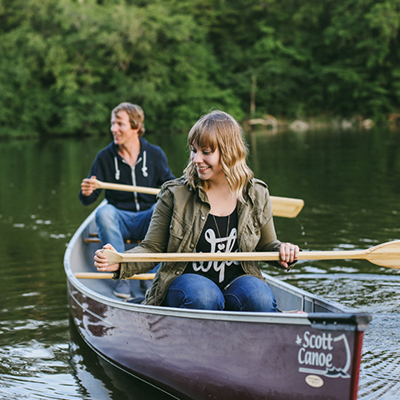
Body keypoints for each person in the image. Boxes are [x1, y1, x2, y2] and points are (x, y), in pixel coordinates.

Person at [94, 110, 299, 311]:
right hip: (185, 283)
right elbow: (152, 249)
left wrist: (283, 251)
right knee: (205, 296)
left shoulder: (256, 193)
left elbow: (267, 246)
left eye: (206, 152)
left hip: (237, 281)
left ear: (229, 152)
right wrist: (121, 262)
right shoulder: (175, 194)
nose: (196, 159)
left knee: (259, 298)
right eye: (194, 150)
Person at [80, 102, 174, 299]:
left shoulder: (155, 154)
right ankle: (120, 276)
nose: (114, 129)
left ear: (136, 126)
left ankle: (151, 279)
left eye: (119, 124)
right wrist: (88, 191)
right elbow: (88, 200)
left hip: (148, 219)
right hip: (119, 219)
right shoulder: (105, 157)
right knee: (104, 212)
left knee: (162, 208)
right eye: (113, 124)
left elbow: (171, 190)